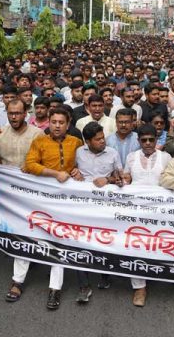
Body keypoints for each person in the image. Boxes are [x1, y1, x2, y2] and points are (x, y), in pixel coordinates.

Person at [0, 99, 43, 303]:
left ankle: (18, 281)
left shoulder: (37, 134)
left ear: (25, 113)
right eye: (10, 113)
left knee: (26, 231)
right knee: (10, 230)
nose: (14, 116)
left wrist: (32, 166)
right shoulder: (0, 133)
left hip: (32, 193)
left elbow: (45, 161)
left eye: (17, 113)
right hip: (7, 195)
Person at [24, 107, 83, 310]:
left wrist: (78, 171)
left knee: (59, 239)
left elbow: (83, 164)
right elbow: (30, 164)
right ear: (48, 123)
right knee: (31, 235)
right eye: (54, 122)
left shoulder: (76, 142)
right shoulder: (39, 141)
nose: (57, 126)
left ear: (68, 124)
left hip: (68, 201)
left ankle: (55, 288)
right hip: (43, 199)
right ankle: (18, 281)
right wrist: (54, 174)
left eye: (61, 123)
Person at [72, 122, 125, 303]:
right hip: (82, 206)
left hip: (105, 208)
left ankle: (104, 276)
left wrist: (109, 179)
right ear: (87, 142)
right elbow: (71, 170)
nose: (103, 141)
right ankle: (84, 286)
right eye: (98, 139)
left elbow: (121, 178)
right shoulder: (79, 152)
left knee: (104, 241)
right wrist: (75, 173)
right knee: (80, 242)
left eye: (103, 138)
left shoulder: (113, 153)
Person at [123, 124, 172, 307]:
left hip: (161, 212)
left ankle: (163, 276)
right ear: (139, 141)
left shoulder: (166, 157)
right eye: (144, 140)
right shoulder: (131, 157)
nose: (148, 143)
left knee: (160, 245)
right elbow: (126, 179)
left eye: (151, 139)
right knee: (136, 246)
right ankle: (139, 287)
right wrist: (123, 180)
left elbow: (171, 179)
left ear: (156, 139)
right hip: (136, 212)